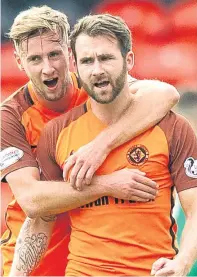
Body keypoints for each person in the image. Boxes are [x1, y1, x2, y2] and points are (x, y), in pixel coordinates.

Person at [9, 13, 197, 277]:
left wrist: (183, 263)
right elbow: (41, 218)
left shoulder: (172, 128)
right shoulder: (56, 133)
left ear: (128, 60)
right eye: (87, 61)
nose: (97, 70)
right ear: (75, 65)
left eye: (106, 58)